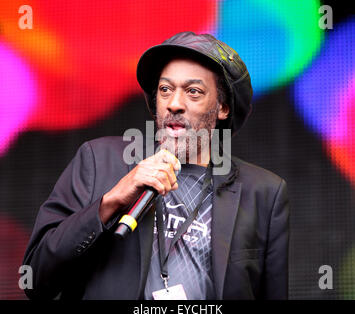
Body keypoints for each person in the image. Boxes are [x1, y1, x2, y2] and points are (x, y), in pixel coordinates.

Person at [22, 32, 289, 300]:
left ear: (223, 107)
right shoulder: (99, 159)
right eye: (165, 89)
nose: (174, 104)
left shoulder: (263, 191)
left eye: (193, 92)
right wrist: (109, 202)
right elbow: (35, 279)